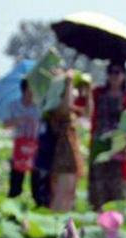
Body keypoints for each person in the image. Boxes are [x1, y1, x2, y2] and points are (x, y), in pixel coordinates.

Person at [88, 62, 126, 211]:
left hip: (119, 146)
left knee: (118, 187)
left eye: (117, 72)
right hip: (99, 143)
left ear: (124, 75)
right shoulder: (97, 93)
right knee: (98, 187)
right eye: (111, 72)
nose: (114, 76)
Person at [47, 70, 86, 212]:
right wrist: (68, 81)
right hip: (61, 154)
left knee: (70, 192)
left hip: (71, 153)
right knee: (62, 192)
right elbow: (65, 108)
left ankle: (64, 223)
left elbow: (87, 111)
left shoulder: (72, 110)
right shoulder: (56, 108)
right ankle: (55, 223)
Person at [4, 79, 40, 198]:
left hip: (35, 144)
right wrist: (20, 119)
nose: (33, 93)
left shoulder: (38, 106)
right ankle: (12, 208)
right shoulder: (13, 105)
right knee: (17, 178)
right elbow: (6, 124)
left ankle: (38, 204)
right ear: (24, 91)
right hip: (20, 145)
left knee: (36, 179)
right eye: (30, 90)